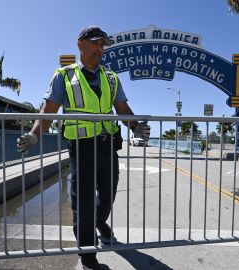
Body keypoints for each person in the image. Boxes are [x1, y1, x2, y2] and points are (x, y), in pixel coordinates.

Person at [17, 26, 150, 270]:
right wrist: (34, 135)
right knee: (84, 202)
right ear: (81, 44)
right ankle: (88, 256)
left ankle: (100, 222)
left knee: (108, 194)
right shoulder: (64, 76)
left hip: (108, 145)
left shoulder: (111, 77)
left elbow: (122, 109)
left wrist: (136, 127)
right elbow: (48, 111)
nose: (101, 49)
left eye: (103, 45)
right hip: (82, 147)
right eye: (97, 43)